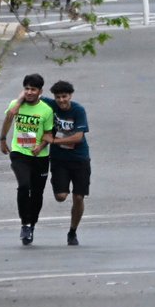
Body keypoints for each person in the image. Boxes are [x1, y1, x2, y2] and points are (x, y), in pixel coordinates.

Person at [0, 74, 55, 246]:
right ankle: (25, 223)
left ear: (40, 91)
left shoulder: (46, 110)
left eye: (33, 89)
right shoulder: (15, 105)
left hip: (40, 156)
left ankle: (32, 225)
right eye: (27, 89)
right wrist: (2, 139)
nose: (30, 92)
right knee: (24, 186)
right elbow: (8, 120)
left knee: (37, 193)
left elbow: (49, 133)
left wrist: (41, 146)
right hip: (19, 152)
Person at [44, 80, 90, 245]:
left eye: (64, 96)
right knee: (61, 196)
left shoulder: (78, 111)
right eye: (58, 97)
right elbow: (30, 95)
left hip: (79, 158)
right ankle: (58, 183)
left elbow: (78, 137)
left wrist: (53, 140)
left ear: (70, 96)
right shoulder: (50, 105)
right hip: (59, 159)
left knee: (78, 197)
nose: (62, 100)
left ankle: (72, 231)